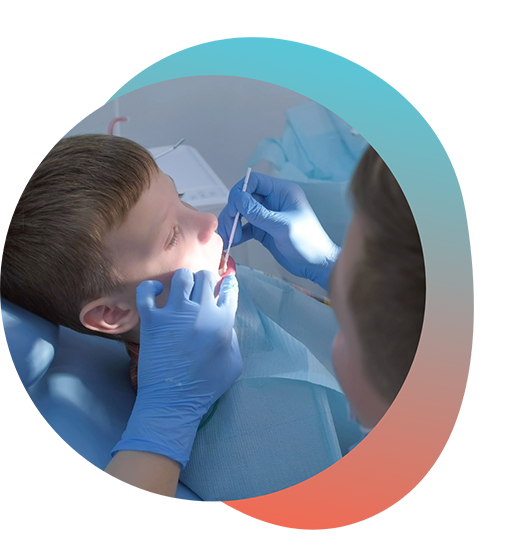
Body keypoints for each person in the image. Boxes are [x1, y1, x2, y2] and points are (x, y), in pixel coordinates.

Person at [1, 136, 425, 497]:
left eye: (181, 197)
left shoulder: (220, 287)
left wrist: (338, 273)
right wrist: (167, 418)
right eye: (171, 236)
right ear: (112, 312)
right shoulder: (215, 428)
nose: (207, 220)